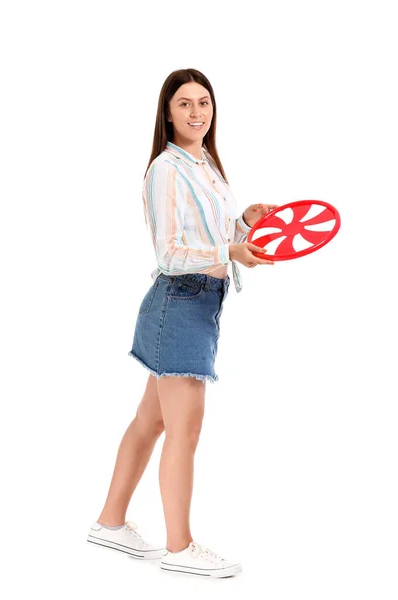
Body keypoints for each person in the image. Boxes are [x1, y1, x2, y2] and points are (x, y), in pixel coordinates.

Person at [87, 68, 276, 578]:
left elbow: (208, 235)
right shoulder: (166, 169)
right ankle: (180, 548)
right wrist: (231, 249)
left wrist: (244, 224)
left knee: (151, 422)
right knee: (184, 430)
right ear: (167, 112)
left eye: (205, 103)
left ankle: (109, 523)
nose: (197, 113)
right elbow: (171, 253)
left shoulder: (205, 161)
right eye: (185, 104)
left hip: (198, 304)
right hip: (179, 303)